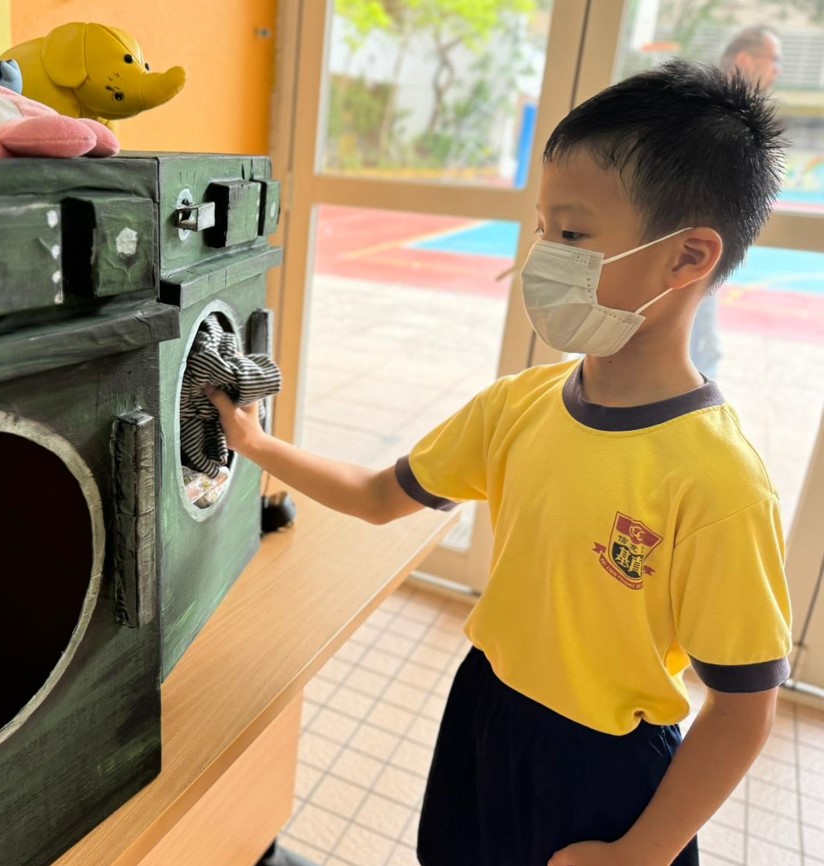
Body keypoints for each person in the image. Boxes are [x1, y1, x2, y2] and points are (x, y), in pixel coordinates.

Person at [210, 59, 792, 866]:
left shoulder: (719, 481)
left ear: (688, 257)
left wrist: (643, 853)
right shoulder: (518, 406)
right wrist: (258, 446)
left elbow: (743, 708)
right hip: (485, 707)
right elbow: (380, 497)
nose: (543, 256)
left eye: (573, 235)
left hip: (605, 768)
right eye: (545, 229)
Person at [690, 25, 782, 379]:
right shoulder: (714, 114)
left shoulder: (726, 113)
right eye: (773, 60)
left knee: (701, 343)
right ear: (744, 59)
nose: (777, 71)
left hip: (705, 247)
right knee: (703, 346)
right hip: (694, 246)